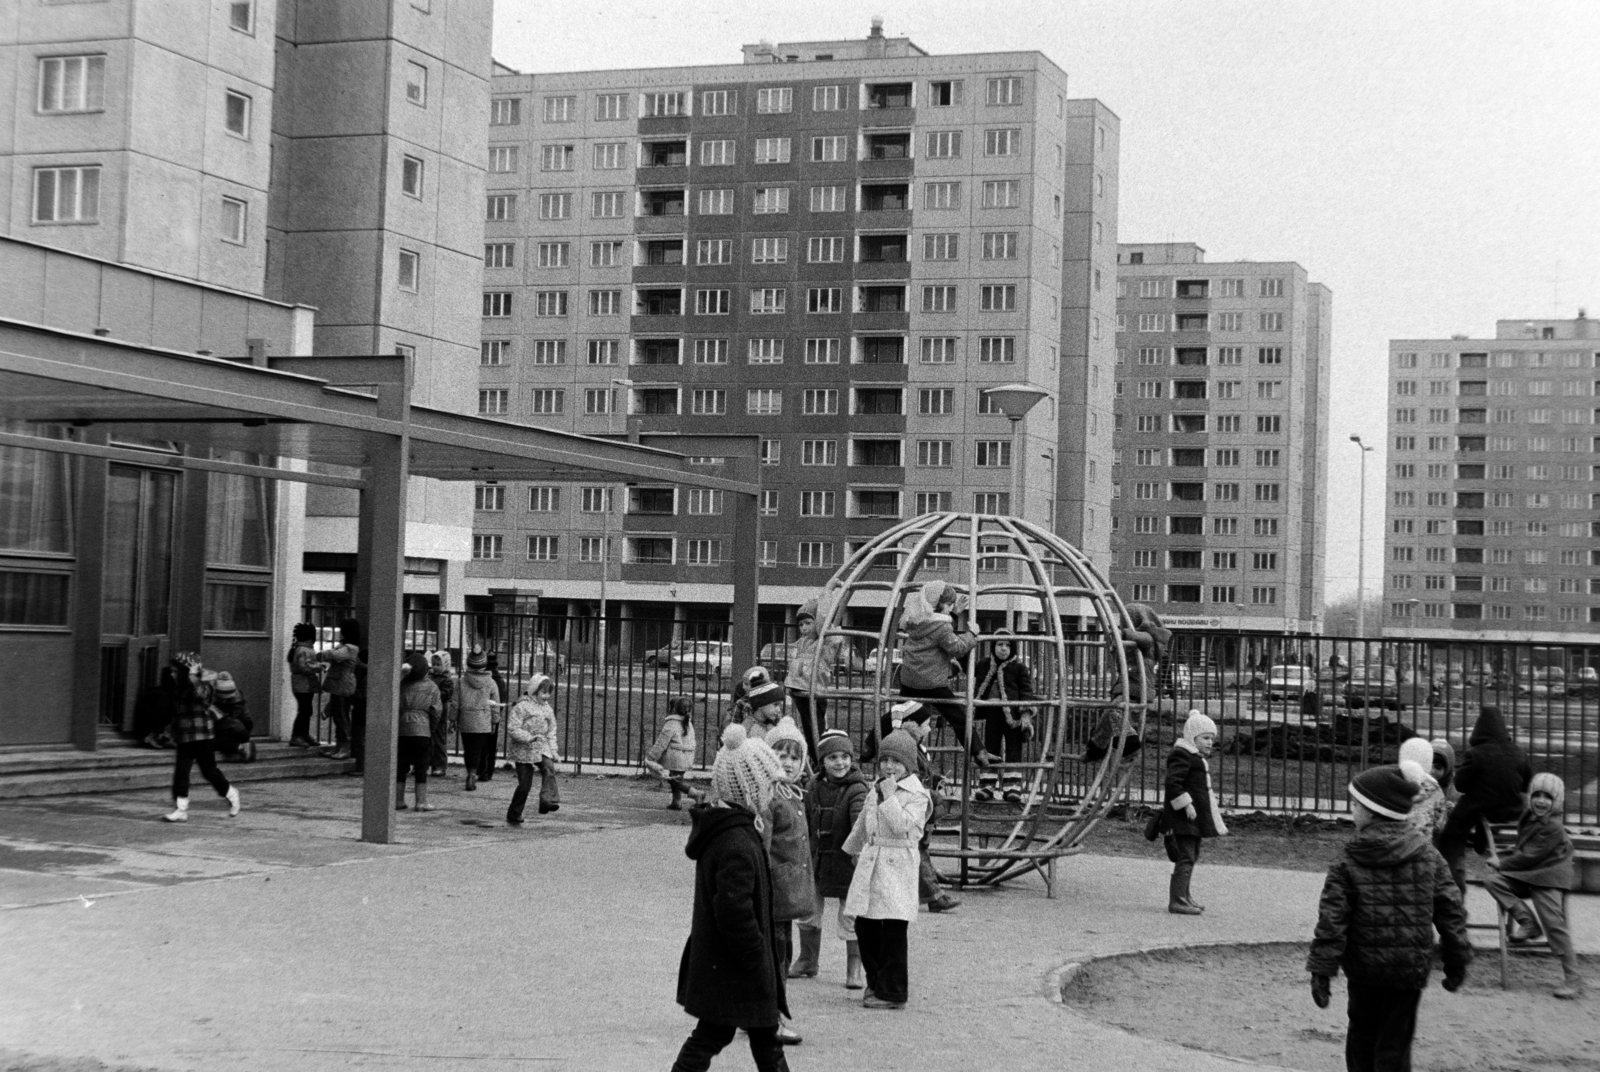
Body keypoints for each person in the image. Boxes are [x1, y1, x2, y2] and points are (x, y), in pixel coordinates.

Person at [1306, 766, 1471, 1072]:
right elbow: (1451, 910)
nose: (1352, 811)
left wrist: (1322, 970)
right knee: (1394, 1045)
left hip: (1365, 969)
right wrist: (1456, 958)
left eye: (1356, 805)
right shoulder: (1428, 855)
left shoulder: (1348, 858)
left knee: (1361, 1037)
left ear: (1372, 811)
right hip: (1408, 970)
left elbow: (1332, 919)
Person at [670, 723, 791, 1072]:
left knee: (762, 1039)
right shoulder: (736, 840)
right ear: (751, 788)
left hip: (730, 964)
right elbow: (732, 907)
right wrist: (755, 953)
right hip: (737, 966)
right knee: (717, 1036)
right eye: (768, 785)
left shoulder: (732, 829)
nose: (772, 792)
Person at [842, 727, 932, 1010]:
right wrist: (851, 848)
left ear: (908, 764)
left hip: (897, 864)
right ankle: (875, 981)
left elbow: (905, 826)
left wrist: (891, 797)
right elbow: (864, 821)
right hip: (872, 859)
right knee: (865, 923)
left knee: (892, 929)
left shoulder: (917, 795)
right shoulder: (877, 787)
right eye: (885, 760)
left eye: (896, 761)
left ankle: (893, 991)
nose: (889, 767)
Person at [1483, 772, 1585, 999]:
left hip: (1549, 875)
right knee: (1493, 881)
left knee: (1553, 922)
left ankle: (1573, 977)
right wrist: (1504, 858)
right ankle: (1528, 922)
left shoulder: (1552, 826)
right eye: (1536, 795)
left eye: (1547, 797)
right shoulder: (1529, 816)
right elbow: (1523, 850)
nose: (1540, 801)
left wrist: (1502, 862)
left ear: (1556, 801)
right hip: (1529, 872)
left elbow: (1531, 855)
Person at [887, 580, 989, 766]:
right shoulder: (942, 627)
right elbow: (957, 647)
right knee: (957, 716)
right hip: (932, 683)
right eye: (949, 605)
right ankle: (978, 750)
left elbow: (935, 624)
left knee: (897, 715)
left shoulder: (914, 621)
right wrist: (972, 634)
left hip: (910, 680)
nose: (951, 609)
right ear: (939, 605)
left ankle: (875, 745)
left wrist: (953, 612)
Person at [798, 728, 869, 988]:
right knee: (807, 909)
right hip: (816, 859)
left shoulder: (857, 789)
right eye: (832, 758)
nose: (840, 763)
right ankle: (808, 959)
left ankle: (854, 969)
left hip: (846, 862)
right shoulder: (812, 786)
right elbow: (804, 819)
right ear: (822, 762)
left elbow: (860, 820)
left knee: (851, 914)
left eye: (845, 756)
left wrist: (858, 850)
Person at [1436, 705, 1531, 894]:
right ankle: (1479, 842)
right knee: (1476, 813)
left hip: (1480, 808)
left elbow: (1461, 785)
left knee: (1452, 830)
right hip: (1511, 809)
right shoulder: (1519, 753)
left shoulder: (1476, 754)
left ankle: (1445, 872)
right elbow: (1526, 784)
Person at [764, 716, 814, 1046]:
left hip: (788, 895)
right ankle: (773, 1018)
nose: (789, 762)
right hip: (773, 893)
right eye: (781, 754)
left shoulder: (793, 794)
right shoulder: (769, 797)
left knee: (780, 953)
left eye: (795, 757)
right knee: (775, 957)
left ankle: (762, 1013)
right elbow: (761, 847)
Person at [1156, 710, 1228, 915]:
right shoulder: (1182, 755)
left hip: (1192, 820)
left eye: (1212, 739)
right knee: (1185, 856)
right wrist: (1186, 804)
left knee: (1192, 855)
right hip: (1183, 818)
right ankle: (1177, 900)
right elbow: (1173, 783)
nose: (1209, 742)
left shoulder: (1194, 757)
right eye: (1205, 738)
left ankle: (1185, 896)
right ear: (1192, 737)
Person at [1079, 602, 1169, 763]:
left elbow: (1143, 639)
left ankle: (1130, 745)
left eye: (1125, 621)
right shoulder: (1132, 642)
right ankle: (1096, 749)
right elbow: (1118, 650)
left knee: (1115, 710)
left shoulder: (1148, 638)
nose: (1122, 624)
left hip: (1138, 686)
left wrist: (1125, 633)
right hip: (1129, 686)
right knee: (1107, 717)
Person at [161, 652, 240, 822]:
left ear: (185, 671)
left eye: (176, 671)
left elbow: (200, 695)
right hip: (185, 737)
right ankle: (181, 809)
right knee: (181, 772)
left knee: (209, 771)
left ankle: (231, 794)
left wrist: (192, 675)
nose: (172, 674)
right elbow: (177, 713)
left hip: (201, 736)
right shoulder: (178, 688)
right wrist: (170, 731)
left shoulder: (204, 685)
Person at [972, 628, 1035, 803]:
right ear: (993, 646)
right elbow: (966, 666)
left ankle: (1012, 787)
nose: (1003, 649)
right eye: (999, 644)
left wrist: (1025, 714)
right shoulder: (984, 664)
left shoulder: (1019, 667)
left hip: (1013, 716)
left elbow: (1026, 691)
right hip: (992, 712)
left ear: (1013, 648)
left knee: (1014, 749)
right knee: (990, 748)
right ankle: (987, 786)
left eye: (1008, 645)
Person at [786, 598, 841, 757]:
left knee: (816, 727)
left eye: (808, 623)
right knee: (808, 727)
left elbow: (823, 620)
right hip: (801, 690)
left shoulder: (825, 638)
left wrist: (827, 593)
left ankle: (820, 756)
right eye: (801, 625)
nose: (804, 628)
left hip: (814, 689)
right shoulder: (803, 642)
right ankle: (814, 756)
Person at [506, 672, 560, 824]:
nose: (546, 696)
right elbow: (513, 728)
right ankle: (514, 812)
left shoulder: (547, 709)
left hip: (540, 747)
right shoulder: (522, 706)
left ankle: (546, 800)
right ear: (534, 690)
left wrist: (554, 750)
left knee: (548, 768)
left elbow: (551, 731)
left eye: (549, 693)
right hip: (523, 749)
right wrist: (528, 737)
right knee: (525, 784)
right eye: (543, 692)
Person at [395, 652, 441, 812]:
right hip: (422, 729)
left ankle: (398, 800)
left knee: (401, 765)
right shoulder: (432, 687)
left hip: (402, 729)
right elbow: (436, 711)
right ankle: (421, 802)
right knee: (421, 766)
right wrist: (431, 728)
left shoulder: (401, 684)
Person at [454, 646, 500, 792]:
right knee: (478, 750)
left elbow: (455, 702)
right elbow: (495, 704)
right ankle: (474, 774)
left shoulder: (461, 682)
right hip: (483, 720)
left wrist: (452, 719)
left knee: (468, 750)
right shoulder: (491, 682)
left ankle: (470, 773)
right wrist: (494, 721)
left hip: (466, 719)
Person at [315, 619, 362, 760]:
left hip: (342, 685)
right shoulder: (348, 647)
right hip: (339, 686)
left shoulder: (349, 648)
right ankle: (339, 746)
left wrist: (323, 654)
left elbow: (336, 655)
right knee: (338, 717)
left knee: (341, 717)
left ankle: (344, 747)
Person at [645, 696, 700, 810]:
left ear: (673, 708)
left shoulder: (671, 723)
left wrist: (652, 756)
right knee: (676, 779)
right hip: (686, 756)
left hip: (676, 757)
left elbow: (661, 742)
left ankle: (696, 794)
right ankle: (676, 801)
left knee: (674, 782)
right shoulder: (688, 722)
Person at [1397, 738, 1449, 839]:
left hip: (1391, 844)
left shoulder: (1389, 779)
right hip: (1421, 845)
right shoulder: (1434, 787)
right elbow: (1440, 825)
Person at [286, 623, 321, 747]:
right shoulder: (304, 650)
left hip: (304, 684)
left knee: (307, 710)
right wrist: (319, 666)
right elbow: (305, 667)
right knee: (304, 710)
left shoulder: (302, 648)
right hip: (303, 684)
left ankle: (304, 734)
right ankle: (296, 736)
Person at [209, 672, 255, 763]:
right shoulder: (212, 694)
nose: (224, 700)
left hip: (238, 730)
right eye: (221, 698)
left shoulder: (237, 701)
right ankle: (241, 747)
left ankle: (240, 747)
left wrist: (216, 712)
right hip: (235, 731)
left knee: (209, 744)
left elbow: (229, 723)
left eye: (227, 698)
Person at [427, 650, 457, 778]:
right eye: (434, 664)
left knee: (439, 738)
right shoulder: (429, 677)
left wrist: (435, 693)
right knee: (428, 738)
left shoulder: (447, 680)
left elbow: (447, 694)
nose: (435, 667)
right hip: (429, 708)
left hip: (441, 710)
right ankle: (427, 763)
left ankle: (439, 765)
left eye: (438, 664)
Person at [480, 652, 509, 782]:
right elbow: (502, 701)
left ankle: (481, 770)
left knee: (480, 744)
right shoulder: (499, 680)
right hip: (494, 715)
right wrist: (497, 714)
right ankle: (488, 771)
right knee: (491, 745)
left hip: (480, 714)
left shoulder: (483, 679)